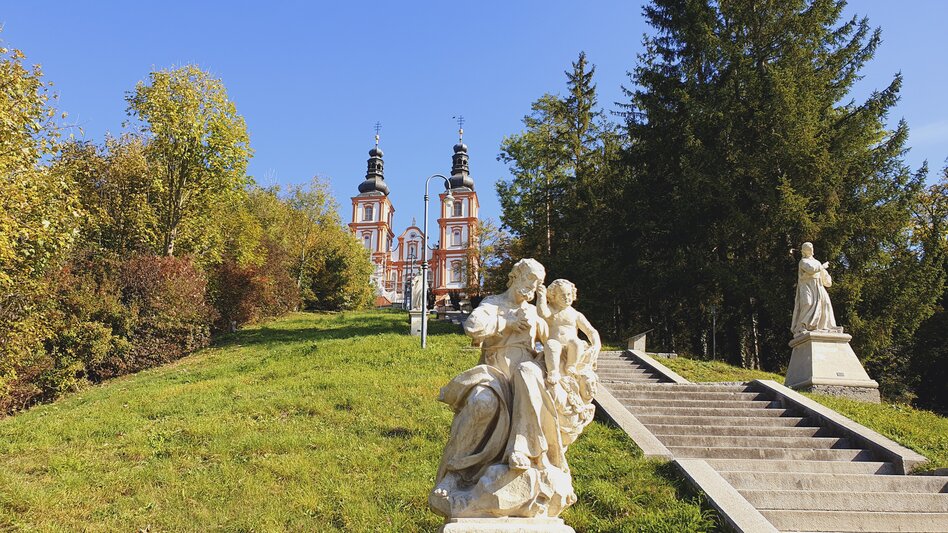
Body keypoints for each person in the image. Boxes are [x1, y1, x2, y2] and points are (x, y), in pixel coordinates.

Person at [429, 258, 576, 519]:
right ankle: (454, 475)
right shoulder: (493, 304)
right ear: (515, 276)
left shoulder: (533, 313)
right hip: (494, 374)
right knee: (482, 403)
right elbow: (472, 328)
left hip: (525, 380)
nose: (534, 287)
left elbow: (554, 340)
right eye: (530, 279)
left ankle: (521, 450)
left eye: (539, 283)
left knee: (528, 371)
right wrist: (506, 323)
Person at [791, 242, 839, 335]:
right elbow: (811, 269)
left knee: (825, 304)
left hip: (818, 285)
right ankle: (802, 326)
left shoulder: (817, 262)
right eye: (808, 249)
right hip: (806, 285)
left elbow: (823, 275)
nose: (811, 250)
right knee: (807, 303)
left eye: (811, 248)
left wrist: (826, 278)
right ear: (804, 251)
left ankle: (823, 326)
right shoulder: (803, 262)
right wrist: (822, 266)